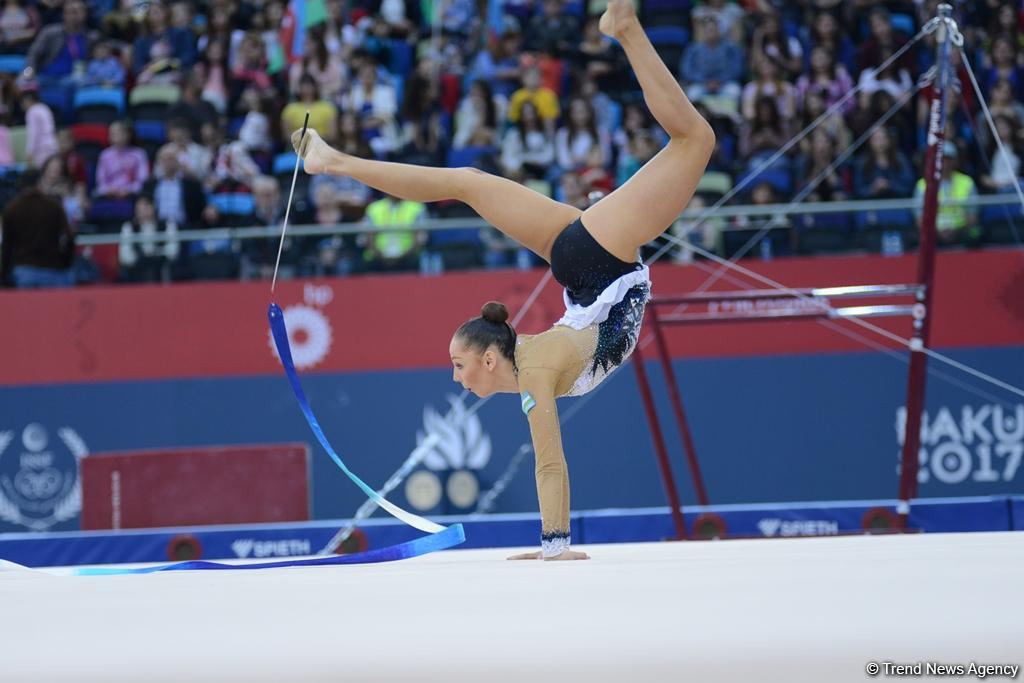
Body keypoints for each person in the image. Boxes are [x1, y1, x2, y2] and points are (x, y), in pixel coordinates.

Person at [290, 0, 714, 561]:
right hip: (587, 266)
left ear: (491, 359)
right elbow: (550, 461)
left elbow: (548, 459)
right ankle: (335, 161)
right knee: (467, 180)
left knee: (694, 141)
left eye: (457, 366)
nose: (458, 379)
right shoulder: (534, 366)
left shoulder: (536, 369)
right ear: (493, 358)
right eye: (458, 367)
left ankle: (627, 28)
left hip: (598, 263)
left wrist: (552, 546)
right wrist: (553, 549)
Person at [1, 169, 75, 288]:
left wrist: (4, 276)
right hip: (53, 270)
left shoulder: (11, 209)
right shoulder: (54, 206)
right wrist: (65, 263)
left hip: (23, 271)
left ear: (20, 185)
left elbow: (6, 246)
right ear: (40, 182)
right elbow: (68, 238)